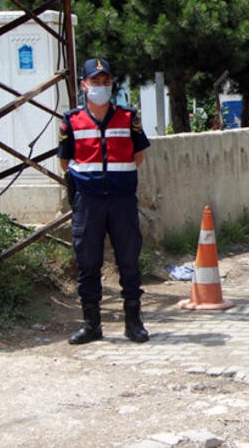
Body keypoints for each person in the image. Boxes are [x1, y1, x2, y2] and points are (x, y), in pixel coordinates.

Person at [58, 58, 151, 344]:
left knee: (129, 261)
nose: (101, 86)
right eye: (95, 82)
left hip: (122, 199)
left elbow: (138, 155)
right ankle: (91, 325)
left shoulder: (128, 117)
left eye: (106, 81)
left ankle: (133, 322)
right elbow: (64, 161)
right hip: (89, 201)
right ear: (84, 86)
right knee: (88, 262)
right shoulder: (71, 120)